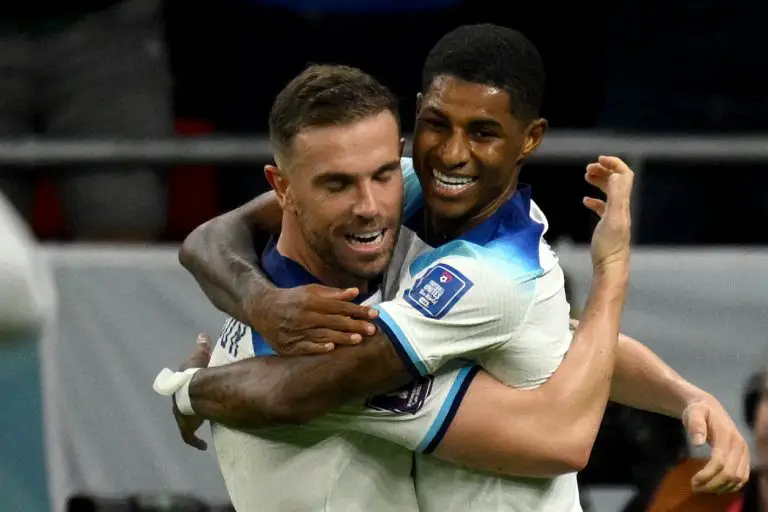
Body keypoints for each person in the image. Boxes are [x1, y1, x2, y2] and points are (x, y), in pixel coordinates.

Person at [168, 26, 747, 509]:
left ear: (531, 139)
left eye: (485, 133)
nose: (452, 154)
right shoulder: (403, 190)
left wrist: (187, 389)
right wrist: (260, 305)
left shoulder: (489, 276)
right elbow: (209, 237)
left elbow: (563, 437)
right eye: (439, 125)